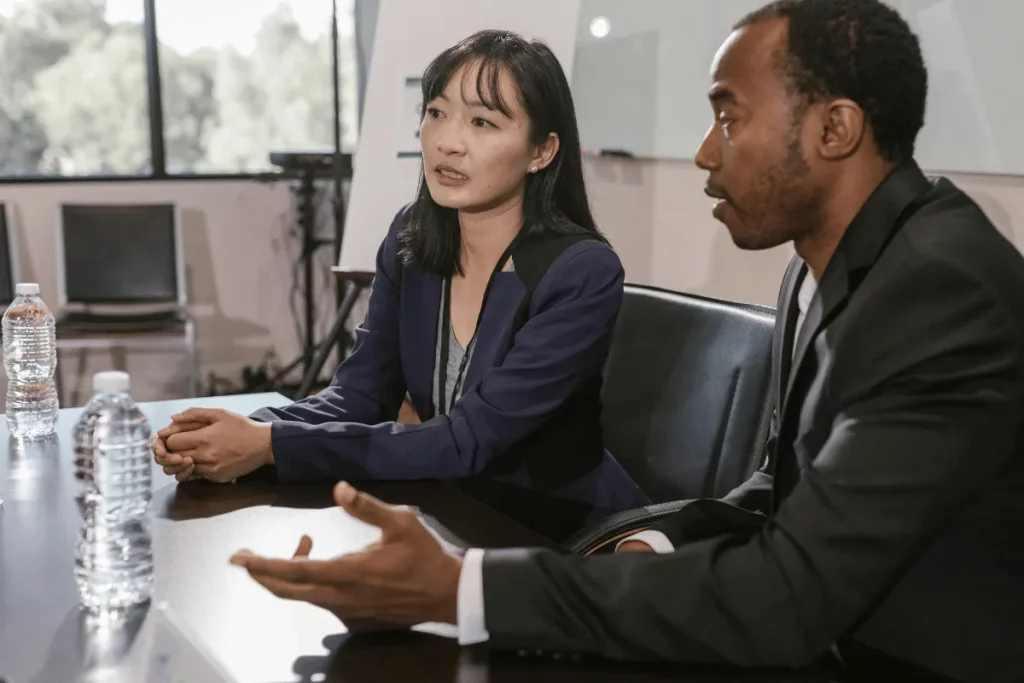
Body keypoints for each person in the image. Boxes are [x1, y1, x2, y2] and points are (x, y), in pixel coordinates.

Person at [226, 1, 1024, 681]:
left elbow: (789, 596)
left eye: (727, 116)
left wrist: (460, 589)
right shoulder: (822, 268)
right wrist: (651, 535)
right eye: (436, 113)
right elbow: (780, 493)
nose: (706, 152)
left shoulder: (939, 289)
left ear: (836, 128)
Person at [152, 30, 649, 541]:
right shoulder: (413, 237)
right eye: (436, 112)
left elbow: (468, 441)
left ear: (541, 152)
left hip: (563, 531)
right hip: (449, 509)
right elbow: (360, 394)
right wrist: (236, 433)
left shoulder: (582, 271)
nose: (446, 141)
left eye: (482, 122)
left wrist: (269, 443)